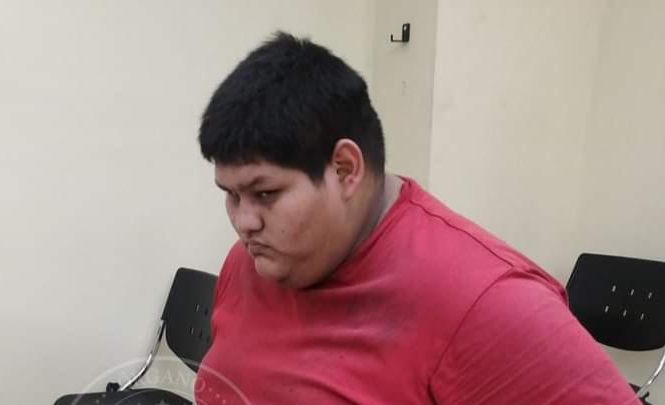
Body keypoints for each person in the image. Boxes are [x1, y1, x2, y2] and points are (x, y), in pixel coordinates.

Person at [193, 32, 639, 405]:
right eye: (230, 195)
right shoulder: (249, 262)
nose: (244, 222)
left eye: (265, 194)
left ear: (345, 169)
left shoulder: (489, 304)